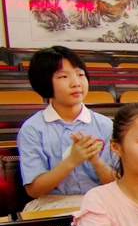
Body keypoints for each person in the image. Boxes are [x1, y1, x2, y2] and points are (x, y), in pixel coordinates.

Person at [18, 45, 116, 211]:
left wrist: (96, 161)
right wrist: (72, 160)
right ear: (44, 82)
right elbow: (34, 190)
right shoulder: (32, 129)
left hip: (100, 201)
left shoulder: (105, 125)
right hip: (52, 204)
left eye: (80, 75)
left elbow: (117, 182)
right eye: (63, 76)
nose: (76, 83)